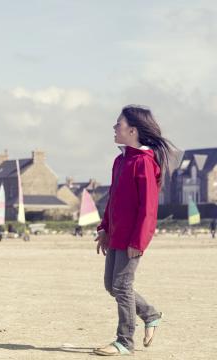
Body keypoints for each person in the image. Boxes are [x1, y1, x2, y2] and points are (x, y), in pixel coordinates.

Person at [93, 105, 173, 356]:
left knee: (122, 286)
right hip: (116, 235)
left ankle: (125, 341)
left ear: (132, 130)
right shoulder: (120, 161)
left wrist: (138, 242)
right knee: (112, 285)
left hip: (132, 239)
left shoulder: (145, 163)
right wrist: (104, 228)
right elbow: (113, 199)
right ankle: (150, 315)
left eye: (118, 124)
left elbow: (148, 209)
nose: (114, 128)